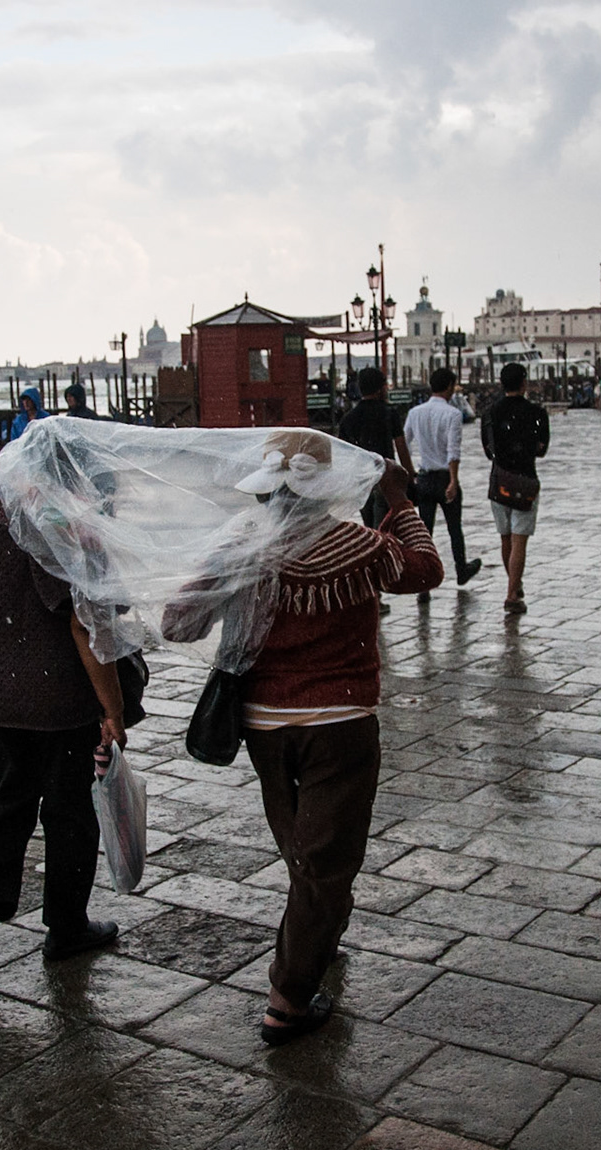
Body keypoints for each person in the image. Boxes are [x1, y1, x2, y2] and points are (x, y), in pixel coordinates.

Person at [164, 434, 441, 1043]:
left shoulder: (245, 544)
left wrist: (238, 589)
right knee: (326, 861)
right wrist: (401, 501)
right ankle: (286, 1000)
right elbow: (425, 570)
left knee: (303, 849)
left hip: (264, 727)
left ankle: (317, 939)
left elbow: (176, 623)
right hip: (340, 724)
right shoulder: (359, 544)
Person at [0, 473, 125, 969]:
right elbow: (84, 620)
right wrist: (112, 709)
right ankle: (66, 926)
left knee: (9, 794)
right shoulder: (59, 516)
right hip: (52, 694)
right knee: (69, 809)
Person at [404, 368, 483, 589]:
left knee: (425, 531)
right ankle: (461, 569)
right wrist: (453, 481)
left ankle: (423, 580)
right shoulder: (453, 414)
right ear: (449, 386)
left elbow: (404, 442)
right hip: (444, 476)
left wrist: (411, 472)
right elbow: (453, 451)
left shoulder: (415, 413)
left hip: (425, 477)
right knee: (454, 527)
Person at [480, 362, 549, 616]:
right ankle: (511, 593)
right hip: (525, 479)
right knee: (520, 541)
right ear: (524, 383)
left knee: (506, 537)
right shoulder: (537, 413)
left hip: (499, 479)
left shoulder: (489, 413)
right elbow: (542, 450)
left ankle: (514, 585)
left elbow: (488, 451)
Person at [336, 367, 415, 527]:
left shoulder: (348, 419)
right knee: (385, 530)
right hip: (386, 479)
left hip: (362, 482)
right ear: (380, 389)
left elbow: (343, 456)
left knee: (369, 527)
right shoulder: (389, 413)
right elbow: (401, 448)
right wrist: (410, 476)